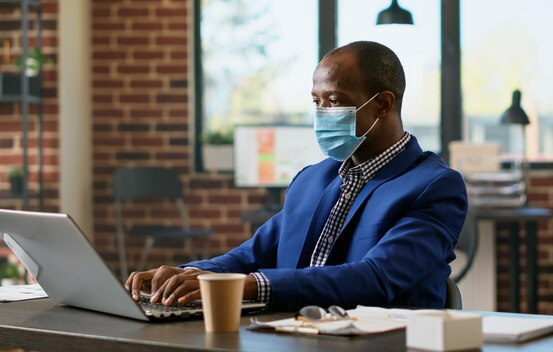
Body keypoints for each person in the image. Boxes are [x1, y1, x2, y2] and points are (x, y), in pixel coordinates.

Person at [126, 41, 467, 311]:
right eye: (316, 102)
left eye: (334, 101)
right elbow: (250, 255)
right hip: (296, 335)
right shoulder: (311, 180)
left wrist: (246, 285)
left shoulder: (432, 186)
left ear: (383, 104)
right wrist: (187, 274)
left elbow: (377, 278)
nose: (322, 114)